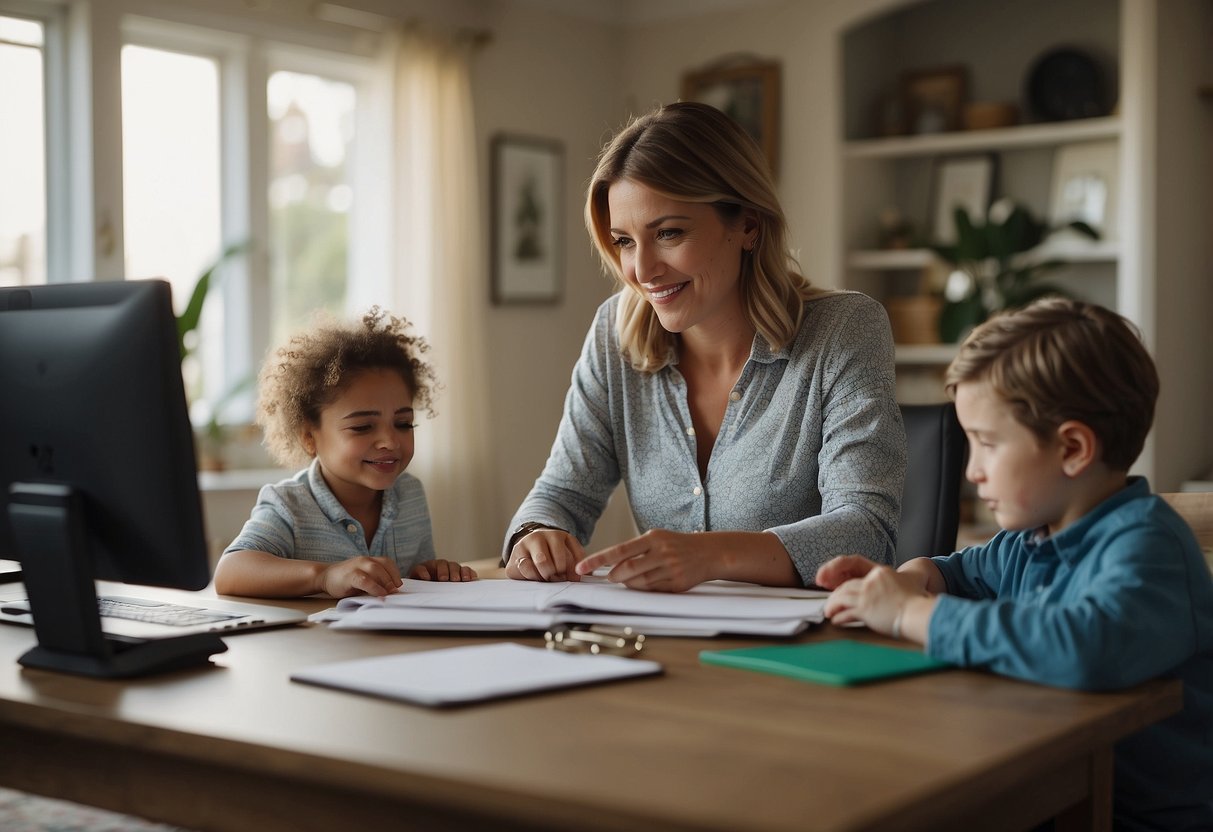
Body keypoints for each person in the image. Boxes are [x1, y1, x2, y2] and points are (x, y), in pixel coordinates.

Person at [818, 298, 1213, 830]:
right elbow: (959, 572)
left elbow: (1081, 648)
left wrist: (913, 615)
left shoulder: (1149, 548)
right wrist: (910, 577)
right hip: (1053, 793)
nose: (973, 472)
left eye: (986, 444)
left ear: (1072, 448)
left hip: (1142, 820)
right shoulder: (1031, 536)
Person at [502, 101, 906, 591]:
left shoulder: (844, 330)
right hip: (665, 645)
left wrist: (709, 555)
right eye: (624, 241)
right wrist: (537, 533)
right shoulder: (614, 332)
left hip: (805, 648)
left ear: (749, 225)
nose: (643, 271)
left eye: (669, 233)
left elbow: (866, 530)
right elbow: (563, 492)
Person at [214, 308, 477, 598]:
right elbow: (230, 572)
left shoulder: (410, 494)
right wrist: (324, 576)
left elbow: (409, 581)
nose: (389, 441)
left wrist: (429, 573)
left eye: (403, 423)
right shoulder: (289, 505)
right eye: (363, 427)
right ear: (309, 437)